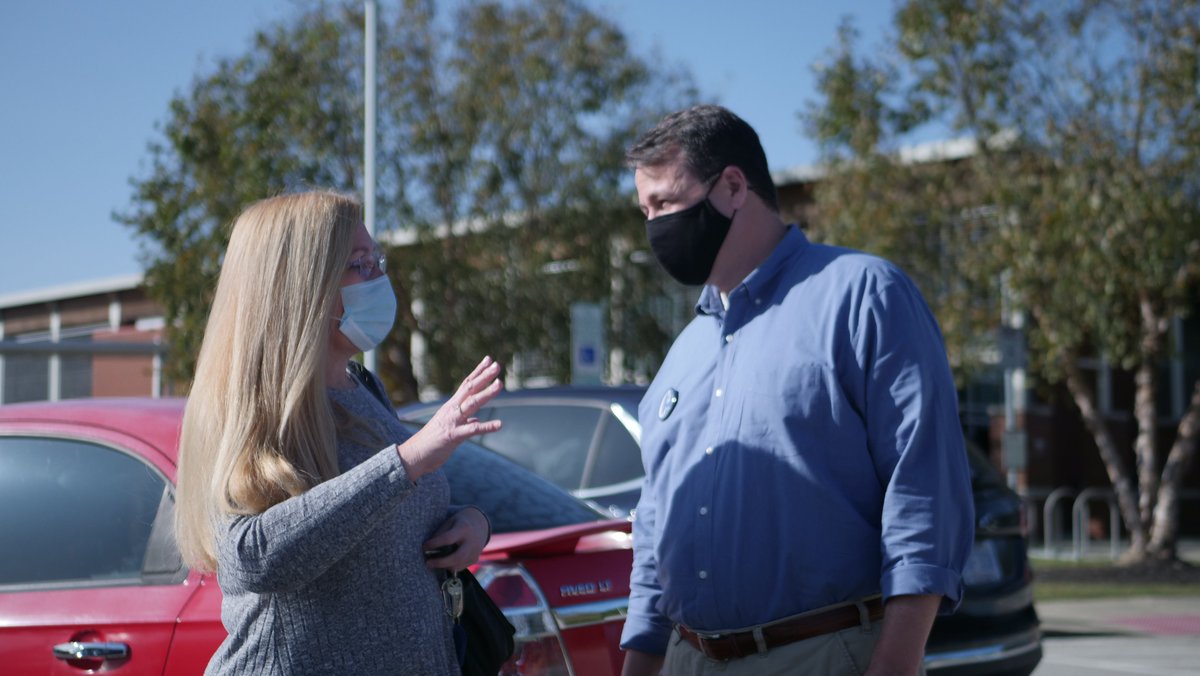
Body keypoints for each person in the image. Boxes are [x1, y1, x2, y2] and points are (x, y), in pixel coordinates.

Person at [619, 105, 975, 676]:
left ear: (733, 187)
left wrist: (896, 663)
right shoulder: (682, 353)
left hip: (820, 654)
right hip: (688, 660)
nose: (654, 226)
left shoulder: (863, 296)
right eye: (644, 211)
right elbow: (655, 531)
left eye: (663, 202)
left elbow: (924, 485)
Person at [173, 190, 503, 675]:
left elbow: (379, 514)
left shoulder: (362, 384)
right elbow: (251, 557)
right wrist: (407, 461)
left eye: (378, 260)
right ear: (300, 286)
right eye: (360, 264)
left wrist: (472, 524)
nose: (380, 278)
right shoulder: (250, 405)